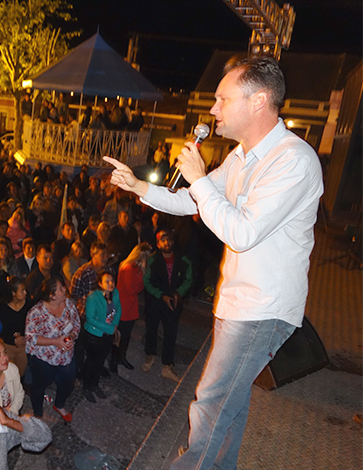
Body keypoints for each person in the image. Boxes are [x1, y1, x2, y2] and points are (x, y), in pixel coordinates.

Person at [104, 56, 324, 469]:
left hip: (263, 306)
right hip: (237, 302)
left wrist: (202, 179)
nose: (213, 109)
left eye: (223, 99)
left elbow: (242, 232)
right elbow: (192, 202)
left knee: (210, 401)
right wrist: (138, 186)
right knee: (229, 405)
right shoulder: (241, 156)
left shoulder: (293, 160)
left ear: (258, 101)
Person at [25, 277, 80, 421]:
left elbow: (76, 324)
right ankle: (38, 413)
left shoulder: (68, 304)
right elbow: (31, 338)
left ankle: (59, 404)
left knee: (68, 383)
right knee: (39, 386)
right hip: (44, 359)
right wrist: (55, 342)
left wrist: (72, 336)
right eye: (61, 288)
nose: (65, 289)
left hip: (66, 356)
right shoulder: (36, 313)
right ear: (52, 295)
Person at [142, 229, 192, 381]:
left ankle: (167, 365)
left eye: (169, 239)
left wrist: (179, 293)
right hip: (155, 301)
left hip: (173, 302)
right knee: (151, 329)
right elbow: (146, 282)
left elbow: (188, 279)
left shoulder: (183, 260)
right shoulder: (152, 260)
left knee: (171, 333)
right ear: (158, 244)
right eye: (162, 240)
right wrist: (160, 295)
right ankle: (150, 354)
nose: (166, 243)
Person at [81, 271, 121, 403]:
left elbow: (118, 309)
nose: (111, 284)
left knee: (100, 361)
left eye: (112, 281)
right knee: (91, 361)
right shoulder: (93, 297)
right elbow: (90, 318)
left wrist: (115, 325)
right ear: (100, 283)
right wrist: (110, 328)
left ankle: (95, 384)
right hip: (94, 335)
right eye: (107, 281)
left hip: (107, 335)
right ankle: (86, 387)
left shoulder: (115, 293)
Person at [113, 243, 151, 371]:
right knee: (120, 335)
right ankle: (115, 359)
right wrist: (142, 280)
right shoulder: (128, 268)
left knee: (126, 334)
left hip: (129, 305)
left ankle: (121, 357)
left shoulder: (134, 268)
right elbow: (131, 290)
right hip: (124, 305)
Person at [0, 276, 31, 375]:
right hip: (7, 346)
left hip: (24, 345)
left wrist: (24, 338)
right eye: (22, 291)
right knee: (7, 373)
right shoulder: (2, 307)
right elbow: (0, 329)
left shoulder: (29, 305)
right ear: (13, 293)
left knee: (20, 374)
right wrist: (13, 340)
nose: (25, 293)